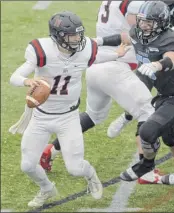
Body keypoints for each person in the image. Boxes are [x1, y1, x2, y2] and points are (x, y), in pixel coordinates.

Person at [9, 11, 129, 207]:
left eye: (79, 34)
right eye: (71, 36)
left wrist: (116, 54)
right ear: (57, 36)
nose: (77, 39)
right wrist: (27, 80)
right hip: (41, 116)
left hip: (68, 117)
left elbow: (94, 58)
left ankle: (91, 175)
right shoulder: (42, 50)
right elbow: (14, 77)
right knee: (28, 165)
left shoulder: (85, 48)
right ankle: (47, 189)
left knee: (75, 168)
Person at [40, 0, 162, 184]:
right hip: (115, 65)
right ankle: (145, 170)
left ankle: (51, 150)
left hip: (96, 64)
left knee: (93, 116)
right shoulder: (133, 3)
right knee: (147, 110)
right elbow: (138, 31)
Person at [100, 1, 174, 185]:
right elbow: (125, 37)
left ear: (161, 23)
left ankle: (146, 164)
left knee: (148, 130)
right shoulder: (139, 31)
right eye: (142, 21)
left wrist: (157, 65)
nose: (143, 25)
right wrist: (99, 41)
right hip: (164, 94)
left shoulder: (172, 38)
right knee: (172, 139)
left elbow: (173, 58)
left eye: (149, 22)